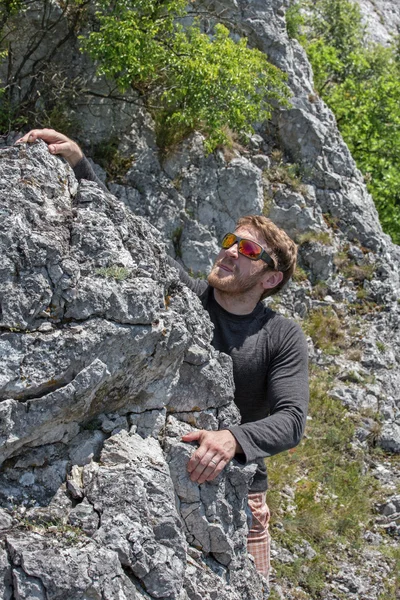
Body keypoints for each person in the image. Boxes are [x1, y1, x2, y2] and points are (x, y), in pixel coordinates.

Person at [16, 129, 309, 580]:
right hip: (153, 471)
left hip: (239, 492)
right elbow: (127, 241)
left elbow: (292, 420)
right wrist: (79, 164)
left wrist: (234, 439)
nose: (229, 252)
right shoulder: (183, 299)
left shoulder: (281, 335)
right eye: (230, 240)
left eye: (248, 250)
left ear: (270, 279)